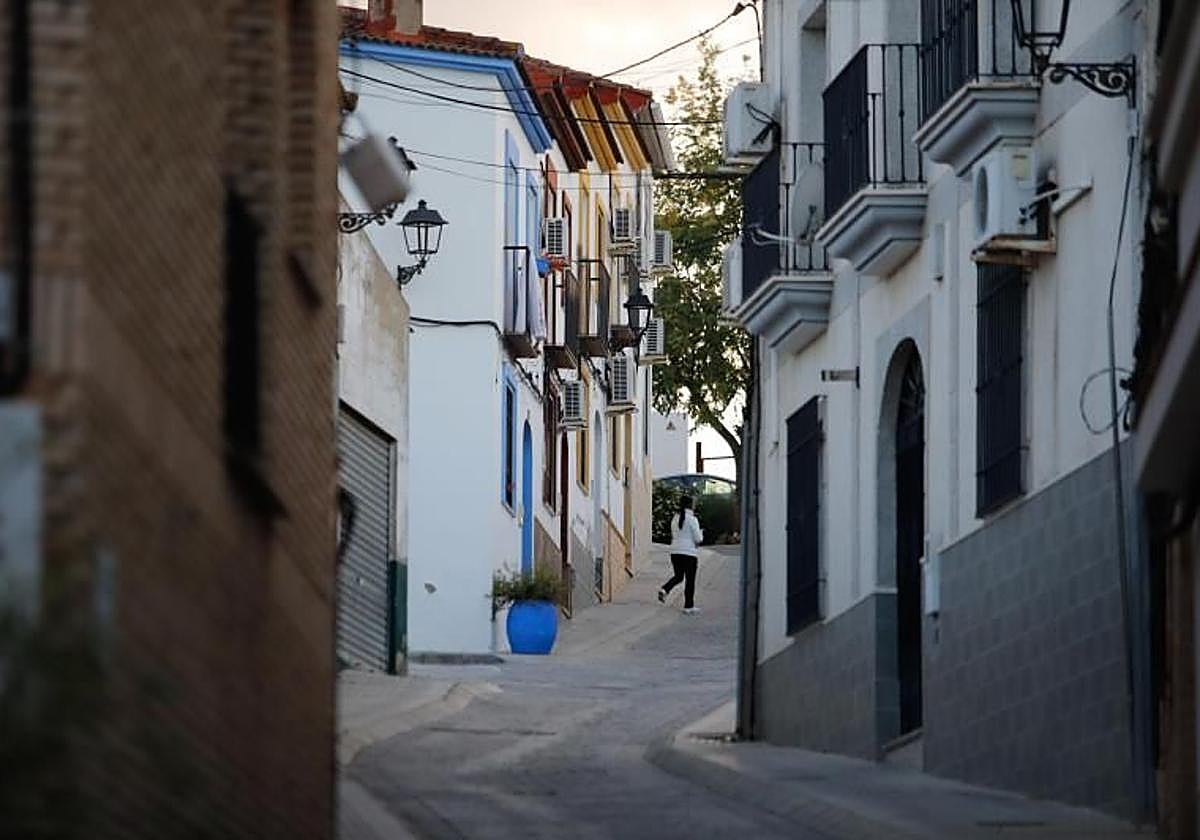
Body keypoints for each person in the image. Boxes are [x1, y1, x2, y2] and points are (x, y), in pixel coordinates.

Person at [658, 494, 704, 614]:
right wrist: (701, 533)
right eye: (694, 504)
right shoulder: (693, 520)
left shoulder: (675, 518)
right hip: (689, 553)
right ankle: (688, 606)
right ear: (690, 505)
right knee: (690, 580)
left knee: (679, 576)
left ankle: (665, 589)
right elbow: (698, 539)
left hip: (675, 552)